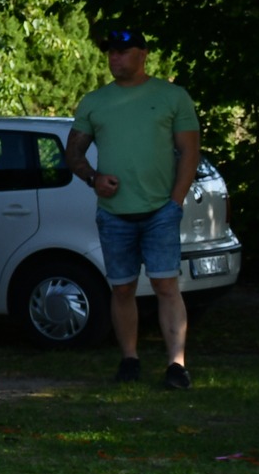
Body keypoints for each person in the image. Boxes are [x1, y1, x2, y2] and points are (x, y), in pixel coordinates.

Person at [66, 27, 201, 388]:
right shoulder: (95, 101)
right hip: (114, 213)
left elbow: (190, 152)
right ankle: (129, 359)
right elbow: (73, 153)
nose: (115, 57)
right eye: (111, 51)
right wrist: (93, 178)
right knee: (122, 288)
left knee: (166, 285)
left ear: (143, 54)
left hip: (161, 211)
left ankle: (176, 365)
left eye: (123, 51)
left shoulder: (172, 97)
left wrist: (175, 201)